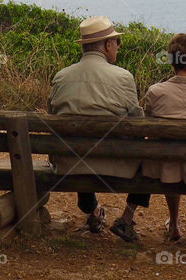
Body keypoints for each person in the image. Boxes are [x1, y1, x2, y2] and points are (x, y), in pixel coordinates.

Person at [115, 32, 186, 247]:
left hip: (166, 169)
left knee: (170, 159)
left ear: (172, 62)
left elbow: (150, 128)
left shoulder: (155, 92)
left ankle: (174, 225)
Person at [47, 15, 150, 240]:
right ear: (107, 45)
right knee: (149, 153)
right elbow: (138, 124)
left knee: (80, 143)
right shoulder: (123, 77)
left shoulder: (61, 77)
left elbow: (51, 115)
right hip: (115, 166)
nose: (118, 47)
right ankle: (126, 217)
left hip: (68, 163)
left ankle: (91, 208)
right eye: (117, 42)